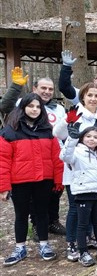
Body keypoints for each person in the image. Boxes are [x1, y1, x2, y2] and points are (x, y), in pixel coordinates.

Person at [53, 83, 97, 262]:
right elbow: (57, 133)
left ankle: (90, 238)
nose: (93, 99)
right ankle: (72, 243)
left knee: (94, 210)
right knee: (76, 210)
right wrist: (67, 121)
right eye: (89, 95)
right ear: (83, 97)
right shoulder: (76, 115)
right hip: (76, 171)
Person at [0, 71, 68, 236]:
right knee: (32, 199)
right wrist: (16, 86)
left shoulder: (59, 108)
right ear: (34, 88)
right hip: (29, 155)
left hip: (54, 156)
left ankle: (53, 221)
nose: (47, 91)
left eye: (50, 89)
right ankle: (37, 224)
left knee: (54, 193)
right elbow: (5, 106)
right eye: (43, 88)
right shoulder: (24, 103)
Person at [0, 93, 64, 266]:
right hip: (20, 181)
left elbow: (57, 158)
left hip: (44, 179)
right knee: (21, 214)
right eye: (31, 106)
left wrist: (58, 181)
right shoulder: (10, 131)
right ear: (23, 108)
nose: (34, 110)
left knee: (42, 213)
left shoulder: (48, 130)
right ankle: (20, 247)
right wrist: (4, 186)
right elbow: (3, 160)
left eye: (38, 107)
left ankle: (44, 244)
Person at [60, 126, 97, 267]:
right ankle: (83, 251)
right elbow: (64, 156)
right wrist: (71, 139)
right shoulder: (77, 152)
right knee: (83, 224)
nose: (92, 139)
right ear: (82, 138)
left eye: (95, 137)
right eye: (88, 136)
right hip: (83, 193)